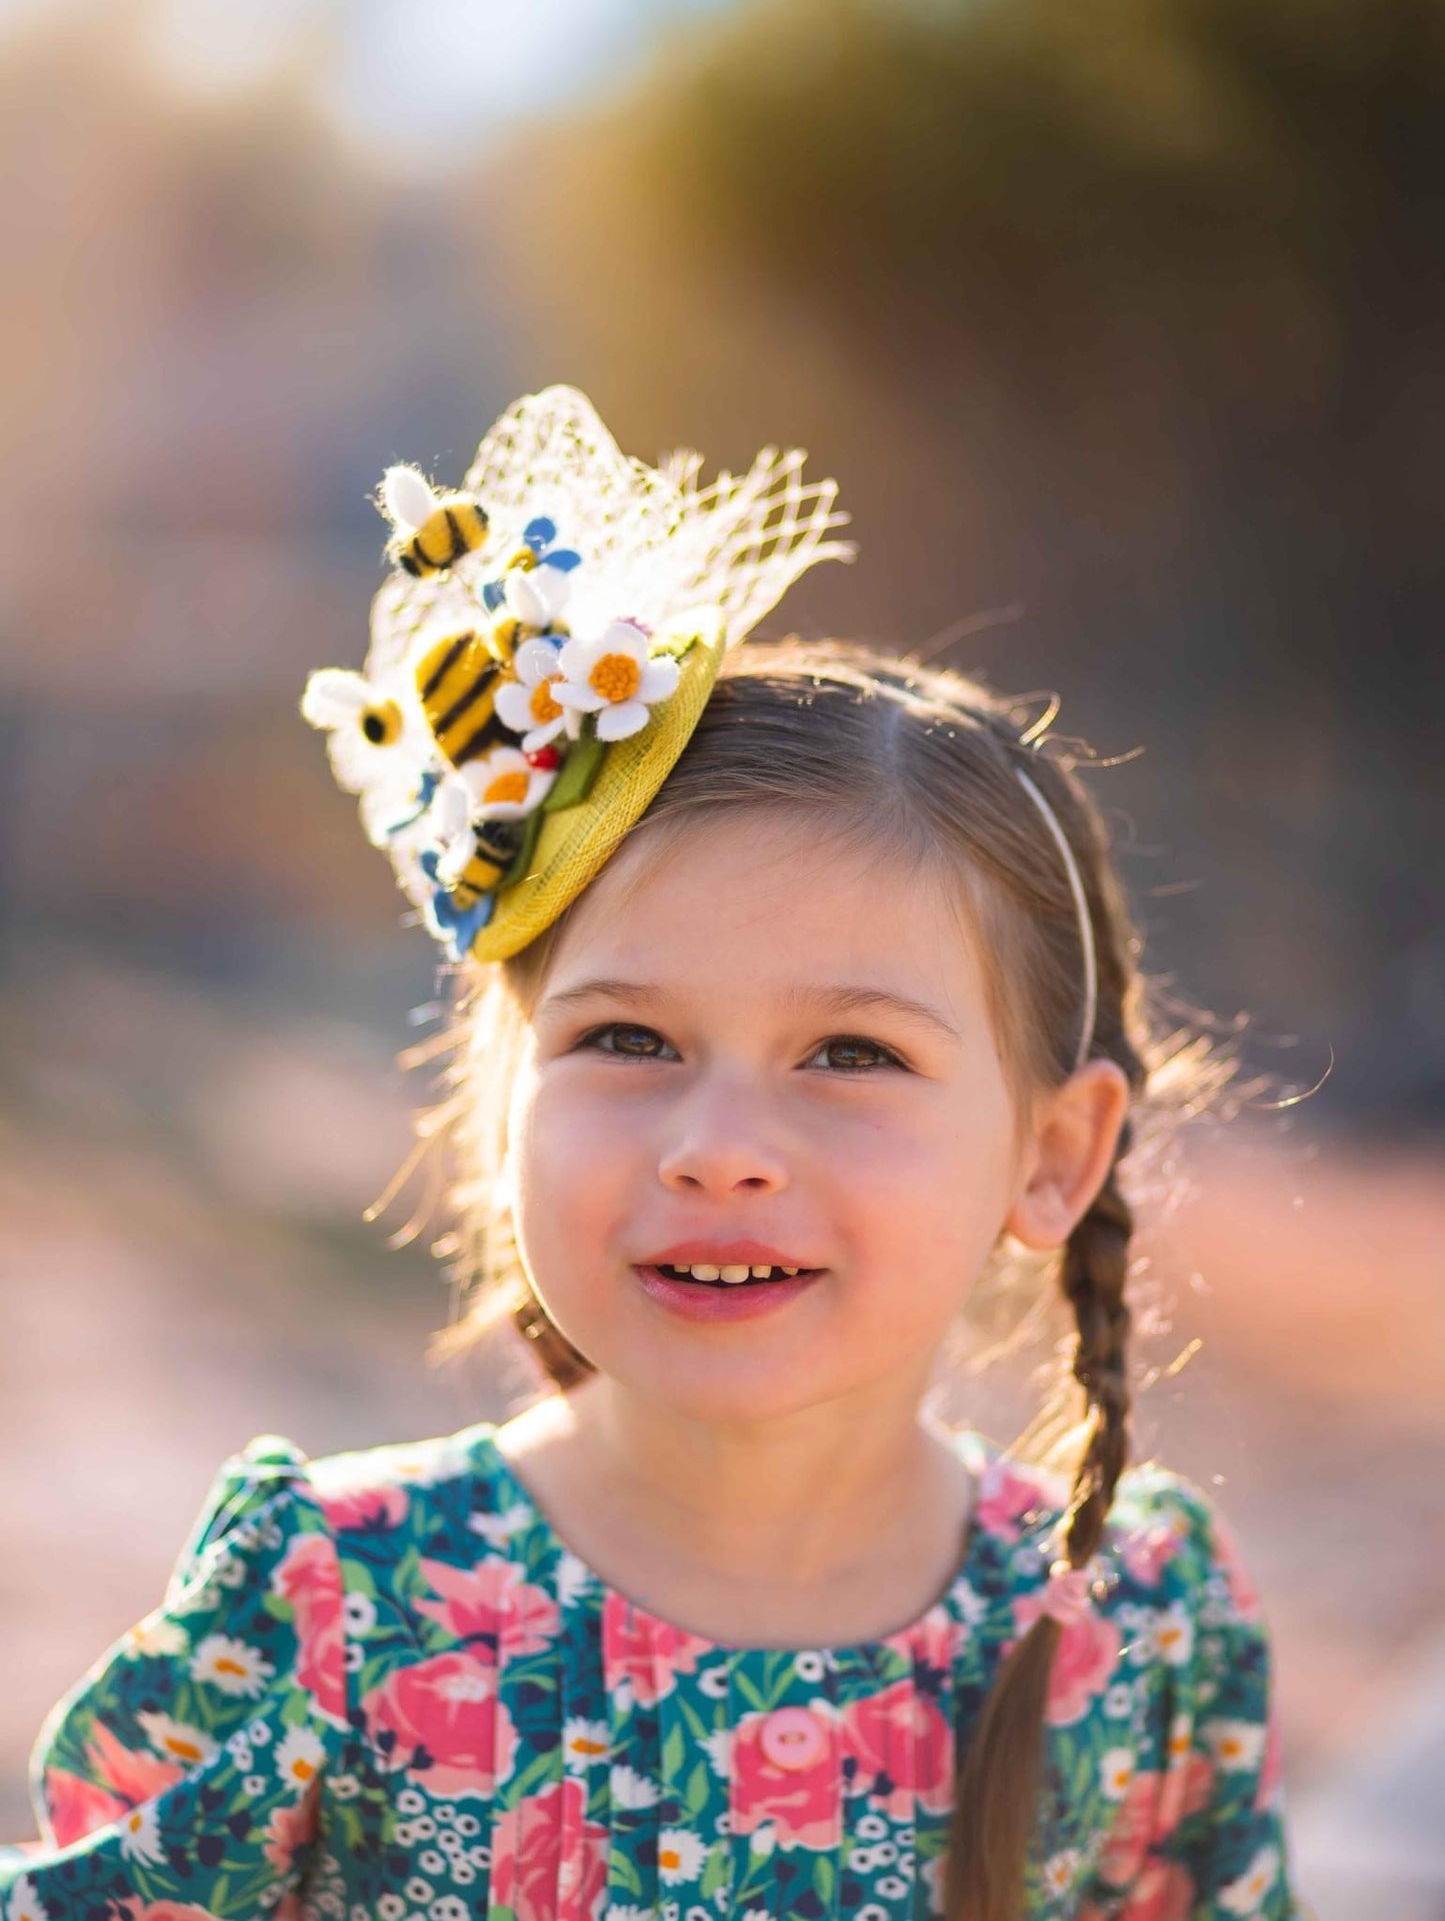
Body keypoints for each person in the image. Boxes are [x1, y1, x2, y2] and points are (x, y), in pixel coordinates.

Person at [0, 386, 1307, 1920]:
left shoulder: (1132, 1633)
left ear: (1052, 1153)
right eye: (628, 1042)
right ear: (504, 1099)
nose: (721, 1149)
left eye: (852, 1055)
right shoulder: (332, 1604)